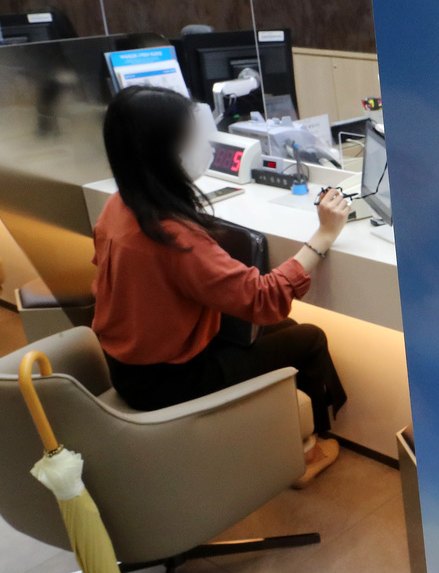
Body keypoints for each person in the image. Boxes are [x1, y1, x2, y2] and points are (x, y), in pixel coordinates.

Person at [91, 84, 352, 487]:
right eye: (191, 137)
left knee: (282, 330)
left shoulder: (120, 205)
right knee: (310, 338)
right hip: (169, 382)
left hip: (129, 366)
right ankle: (306, 452)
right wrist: (324, 235)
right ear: (165, 152)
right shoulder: (172, 236)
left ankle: (295, 433)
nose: (203, 146)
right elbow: (264, 298)